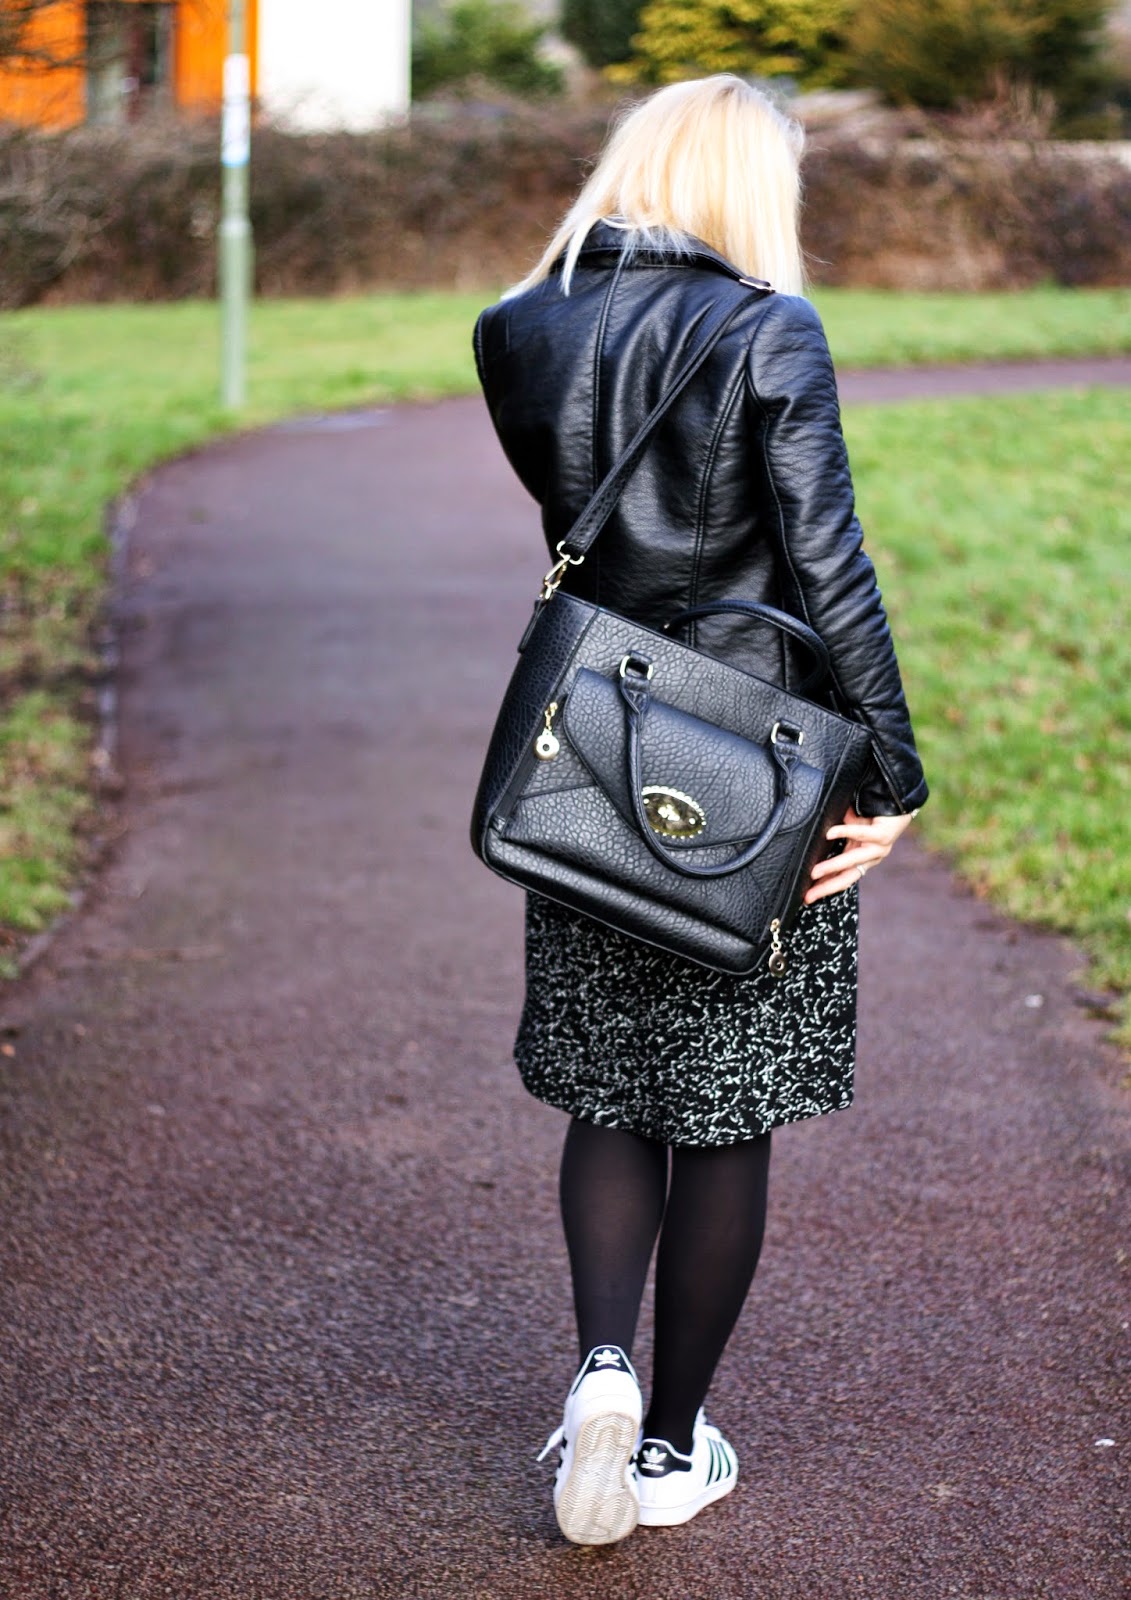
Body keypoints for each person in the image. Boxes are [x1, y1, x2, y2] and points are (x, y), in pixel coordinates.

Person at [472, 74, 928, 1546]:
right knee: (725, 1102)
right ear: (750, 184)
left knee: (611, 1083)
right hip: (757, 768)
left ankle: (599, 1370)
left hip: (591, 740)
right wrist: (896, 778)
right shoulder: (768, 328)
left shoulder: (515, 327)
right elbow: (829, 570)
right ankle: (670, 1449)